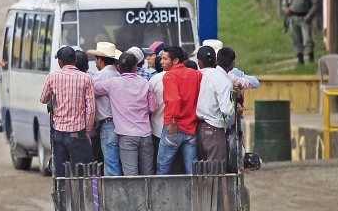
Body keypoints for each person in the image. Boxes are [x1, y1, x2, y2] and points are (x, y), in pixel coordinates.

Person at [92, 51, 158, 175]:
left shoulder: (112, 83)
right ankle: (147, 195)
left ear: (118, 67)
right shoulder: (145, 83)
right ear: (135, 67)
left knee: (130, 175)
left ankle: (133, 195)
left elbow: (92, 88)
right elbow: (153, 108)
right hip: (145, 134)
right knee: (148, 174)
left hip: (126, 136)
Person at [39, 46, 96, 177]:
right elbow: (91, 109)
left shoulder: (52, 76)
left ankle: (61, 195)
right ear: (75, 60)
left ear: (60, 62)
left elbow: (43, 99)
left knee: (59, 170)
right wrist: (87, 130)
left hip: (58, 131)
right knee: (85, 170)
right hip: (77, 132)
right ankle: (81, 195)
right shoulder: (86, 78)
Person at [157, 45, 201, 175]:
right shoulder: (196, 74)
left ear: (175, 61)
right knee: (192, 170)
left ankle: (161, 195)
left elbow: (174, 100)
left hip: (174, 127)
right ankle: (196, 194)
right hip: (191, 126)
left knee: (163, 168)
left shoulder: (169, 76)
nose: (161, 62)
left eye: (165, 59)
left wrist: (173, 122)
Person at [86, 42, 123, 176]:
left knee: (111, 163)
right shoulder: (118, 75)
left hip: (108, 124)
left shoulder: (99, 77)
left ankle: (114, 195)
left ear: (100, 60)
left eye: (96, 59)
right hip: (121, 123)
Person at [194, 46, 234, 163]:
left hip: (201, 127)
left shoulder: (208, 74)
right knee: (216, 169)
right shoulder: (225, 82)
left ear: (217, 59)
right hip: (214, 128)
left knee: (205, 168)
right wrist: (237, 108)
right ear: (233, 63)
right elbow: (227, 110)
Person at [282, 0, 318, 66]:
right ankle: (300, 58)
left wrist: (310, 15)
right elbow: (284, 1)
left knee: (307, 39)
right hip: (293, 17)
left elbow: (315, 4)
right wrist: (286, 9)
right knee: (296, 38)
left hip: (304, 17)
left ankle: (311, 58)